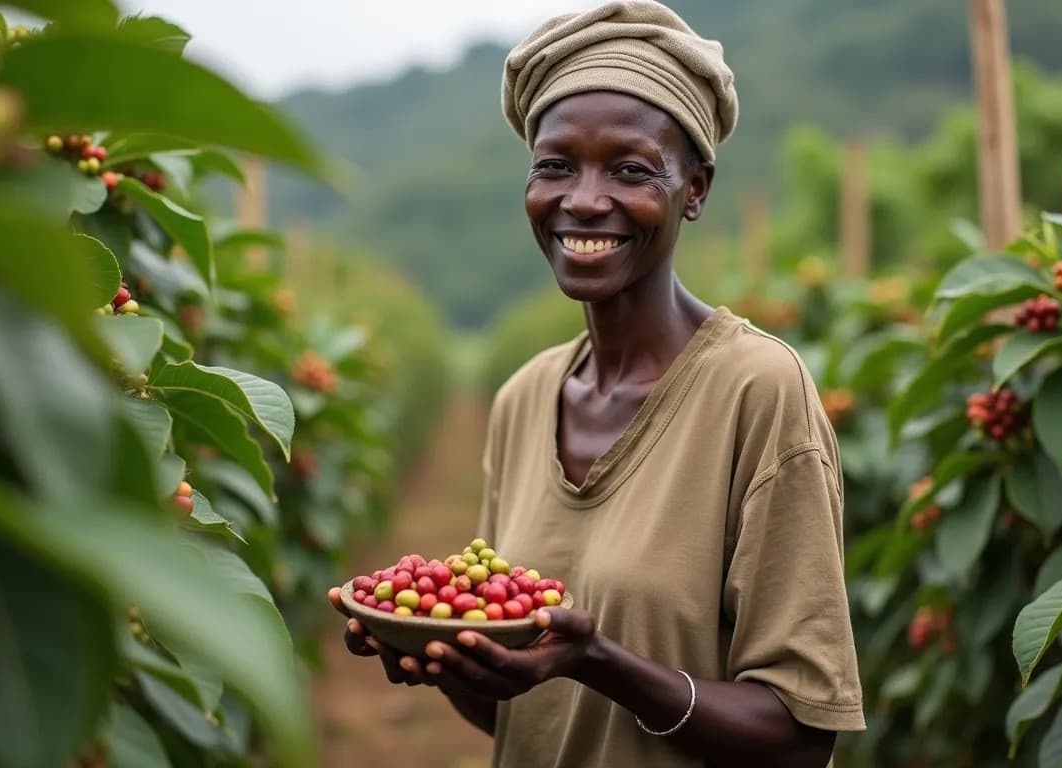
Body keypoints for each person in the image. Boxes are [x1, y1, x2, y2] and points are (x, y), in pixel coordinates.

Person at [329, 2, 864, 765]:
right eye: (555, 165)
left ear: (697, 189)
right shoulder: (523, 399)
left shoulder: (757, 390)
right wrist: (443, 657)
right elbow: (535, 718)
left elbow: (800, 737)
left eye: (630, 169)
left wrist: (602, 662)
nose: (582, 199)